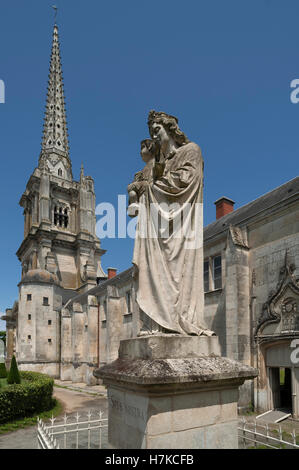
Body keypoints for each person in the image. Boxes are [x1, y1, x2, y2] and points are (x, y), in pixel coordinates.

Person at [132, 110, 215, 336]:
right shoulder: (159, 163)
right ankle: (156, 322)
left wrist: (148, 189)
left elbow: (185, 182)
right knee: (150, 269)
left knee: (177, 276)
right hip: (158, 227)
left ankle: (175, 320)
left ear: (170, 129)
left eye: (157, 130)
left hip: (181, 226)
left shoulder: (191, 151)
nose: (154, 136)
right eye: (152, 132)